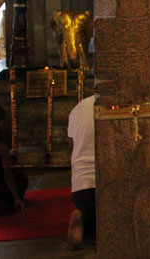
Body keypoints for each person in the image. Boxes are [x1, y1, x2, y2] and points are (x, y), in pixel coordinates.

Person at [67, 94, 96, 249]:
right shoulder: (117, 105)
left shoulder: (77, 108)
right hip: (108, 184)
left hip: (80, 187)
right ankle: (86, 222)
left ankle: (84, 218)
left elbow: (72, 145)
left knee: (90, 213)